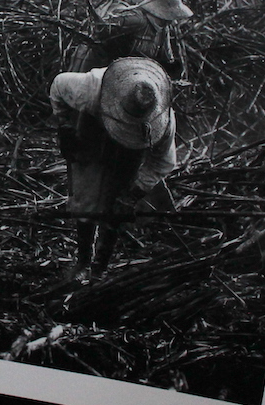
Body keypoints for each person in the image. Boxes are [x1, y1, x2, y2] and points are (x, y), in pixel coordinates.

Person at [50, 57, 177, 282]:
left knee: (116, 209)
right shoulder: (90, 89)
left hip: (130, 155)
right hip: (90, 141)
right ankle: (83, 262)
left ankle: (100, 268)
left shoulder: (162, 121)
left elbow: (163, 162)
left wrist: (133, 194)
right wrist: (64, 125)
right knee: (86, 202)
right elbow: (58, 87)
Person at [72, 0, 194, 77]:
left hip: (137, 76)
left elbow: (166, 57)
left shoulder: (163, 29)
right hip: (106, 70)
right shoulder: (137, 19)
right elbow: (102, 31)